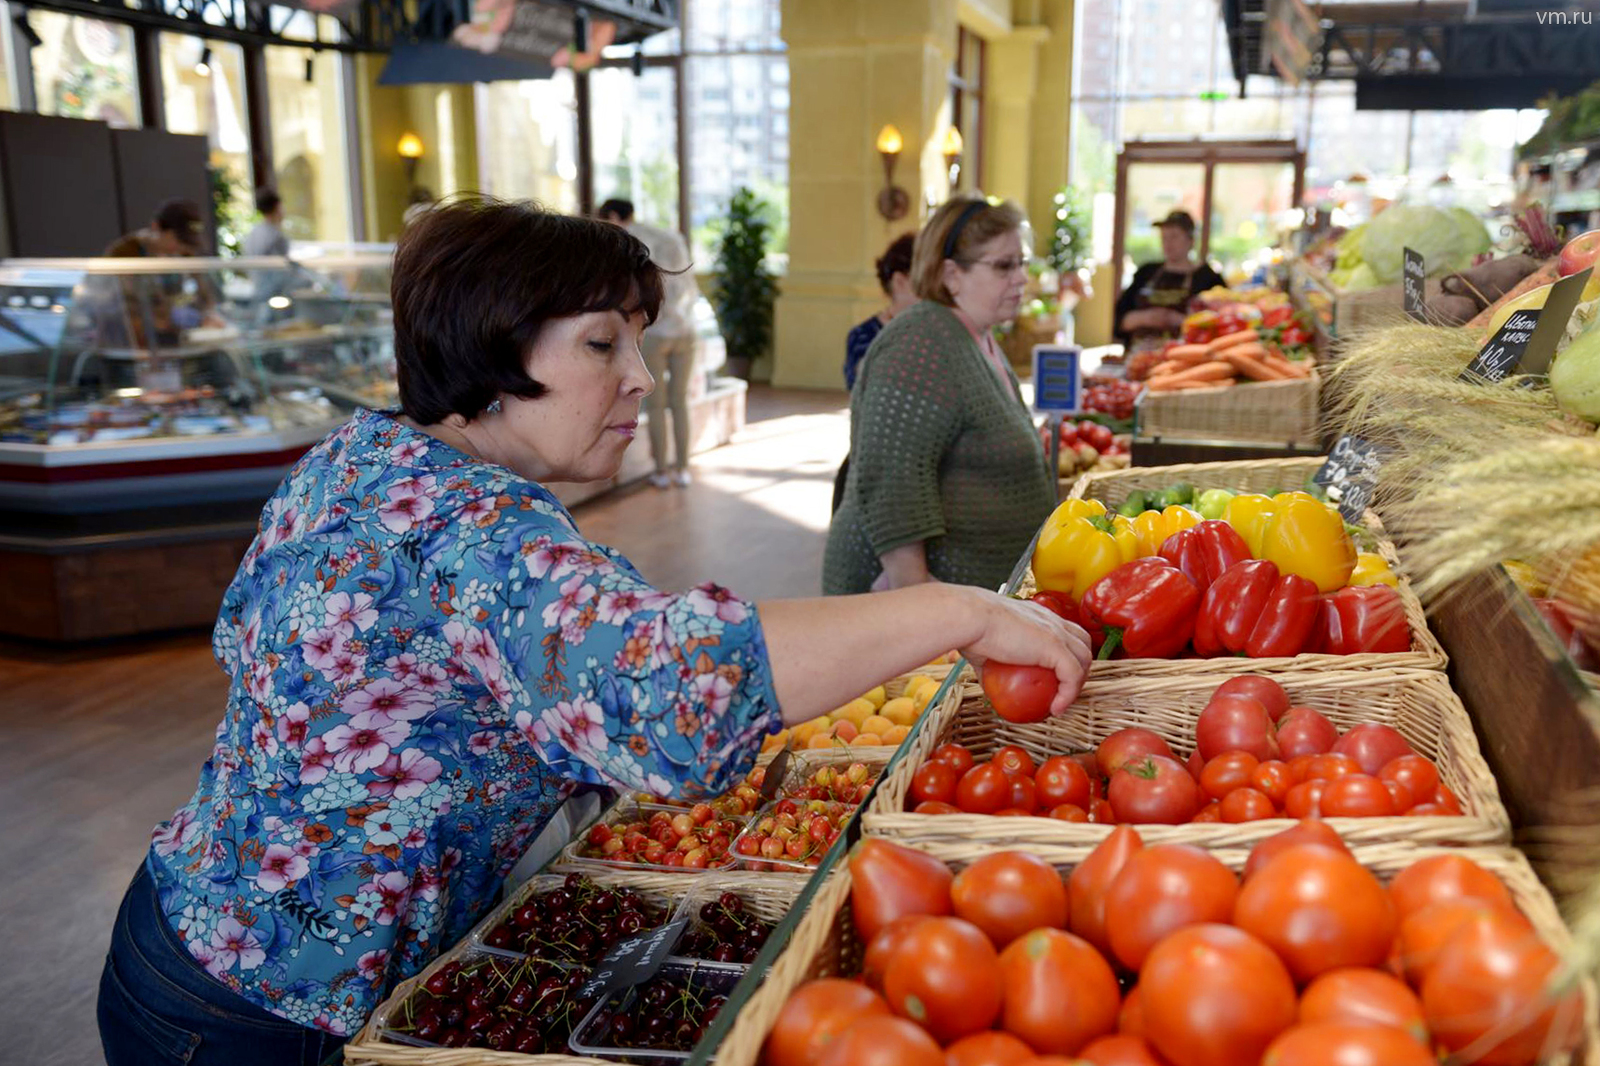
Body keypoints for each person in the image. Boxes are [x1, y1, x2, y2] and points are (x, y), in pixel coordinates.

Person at [95, 197, 1094, 1066]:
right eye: (602, 343)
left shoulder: (363, 457)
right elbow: (667, 697)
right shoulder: (470, 527)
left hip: (181, 931)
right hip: (262, 1007)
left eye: (640, 343)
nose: (642, 379)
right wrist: (958, 608)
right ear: (494, 344)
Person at [824, 194, 1057, 595]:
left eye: (1022, 263)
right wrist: (920, 598)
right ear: (951, 275)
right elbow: (891, 478)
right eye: (1004, 265)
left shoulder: (978, 336)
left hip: (973, 601)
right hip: (921, 607)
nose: (1021, 277)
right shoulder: (921, 341)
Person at [598, 197, 698, 489]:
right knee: (680, 403)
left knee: (656, 405)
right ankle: (683, 468)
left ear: (614, 217)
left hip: (654, 332)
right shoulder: (670, 235)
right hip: (686, 330)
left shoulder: (627, 243)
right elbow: (689, 285)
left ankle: (662, 472)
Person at [100, 198, 220, 347]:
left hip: (174, 341)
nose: (182, 247)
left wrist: (208, 313)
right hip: (134, 344)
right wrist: (169, 317)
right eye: (178, 240)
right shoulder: (125, 253)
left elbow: (205, 293)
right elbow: (122, 307)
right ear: (156, 227)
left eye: (187, 242)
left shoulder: (184, 252)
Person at [1113, 209, 1225, 348]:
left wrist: (1178, 320)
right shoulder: (1146, 272)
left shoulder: (1208, 277)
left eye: (1174, 236)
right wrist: (1147, 318)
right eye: (1164, 237)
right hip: (1138, 358)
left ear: (1191, 241)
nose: (1168, 243)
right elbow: (1118, 321)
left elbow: (1221, 324)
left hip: (1185, 358)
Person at [844, 233, 917, 390]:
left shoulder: (938, 330)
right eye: (927, 278)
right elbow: (862, 386)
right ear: (900, 281)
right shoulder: (863, 336)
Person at [242, 188, 290, 257]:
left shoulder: (253, 232)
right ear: (277, 208)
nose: (284, 211)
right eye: (281, 207)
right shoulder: (275, 236)